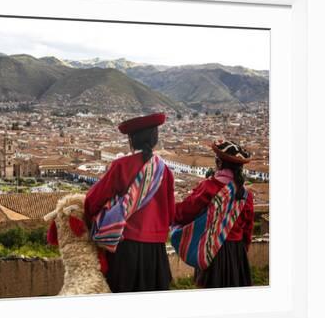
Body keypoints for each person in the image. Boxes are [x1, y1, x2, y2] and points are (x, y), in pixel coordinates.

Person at [84, 113, 175, 292]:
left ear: (132, 141)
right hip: (156, 251)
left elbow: (93, 200)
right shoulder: (165, 171)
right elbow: (170, 213)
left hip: (125, 247)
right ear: (155, 139)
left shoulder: (121, 166)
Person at [174, 140, 254, 288]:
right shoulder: (246, 195)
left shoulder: (209, 187)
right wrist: (241, 251)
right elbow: (247, 230)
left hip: (211, 250)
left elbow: (185, 212)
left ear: (218, 163)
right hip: (236, 252)